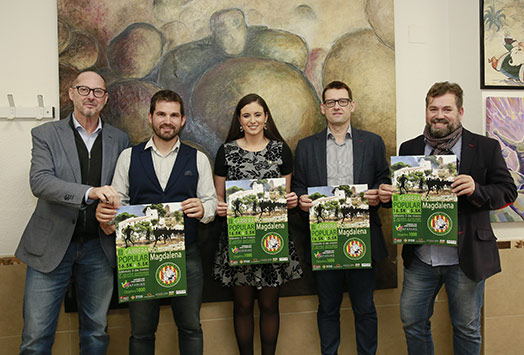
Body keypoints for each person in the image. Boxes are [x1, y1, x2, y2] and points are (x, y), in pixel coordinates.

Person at [378, 81, 518, 355]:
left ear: (460, 112)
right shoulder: (409, 148)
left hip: (465, 257)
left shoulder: (485, 147)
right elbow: (402, 197)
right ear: (426, 111)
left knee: (467, 327)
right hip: (421, 257)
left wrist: (477, 189)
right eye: (433, 108)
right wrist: (388, 196)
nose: (439, 114)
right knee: (412, 321)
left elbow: (508, 192)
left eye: (446, 108)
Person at [16, 71, 130, 354]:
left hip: (98, 249)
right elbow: (40, 182)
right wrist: (89, 192)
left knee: (96, 334)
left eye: (97, 91)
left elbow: (124, 189)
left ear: (105, 99)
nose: (90, 96)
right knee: (36, 338)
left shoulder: (119, 139)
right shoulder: (45, 134)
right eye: (83, 89)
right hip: (51, 248)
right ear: (71, 94)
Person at [96, 89, 217, 355]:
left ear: (183, 120)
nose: (167, 120)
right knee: (140, 332)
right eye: (161, 114)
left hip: (187, 256)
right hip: (139, 256)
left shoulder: (197, 159)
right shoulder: (129, 156)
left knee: (190, 328)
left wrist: (202, 208)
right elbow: (119, 203)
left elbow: (211, 203)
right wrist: (113, 218)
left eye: (174, 115)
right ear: (150, 117)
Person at [292, 81, 391, 355]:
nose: (337, 106)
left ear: (352, 106)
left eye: (342, 101)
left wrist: (379, 195)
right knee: (327, 307)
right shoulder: (306, 146)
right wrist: (301, 200)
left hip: (362, 237)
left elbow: (384, 181)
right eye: (331, 102)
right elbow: (299, 186)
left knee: (365, 308)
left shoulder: (372, 142)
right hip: (324, 238)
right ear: (323, 108)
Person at [213, 93, 303, 355]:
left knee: (269, 306)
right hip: (238, 239)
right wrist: (220, 205)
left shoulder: (280, 149)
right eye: (246, 115)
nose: (252, 120)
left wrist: (290, 201)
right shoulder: (226, 151)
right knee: (242, 307)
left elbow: (285, 197)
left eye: (257, 114)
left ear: (266, 118)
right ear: (239, 120)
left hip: (272, 239)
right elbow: (219, 196)